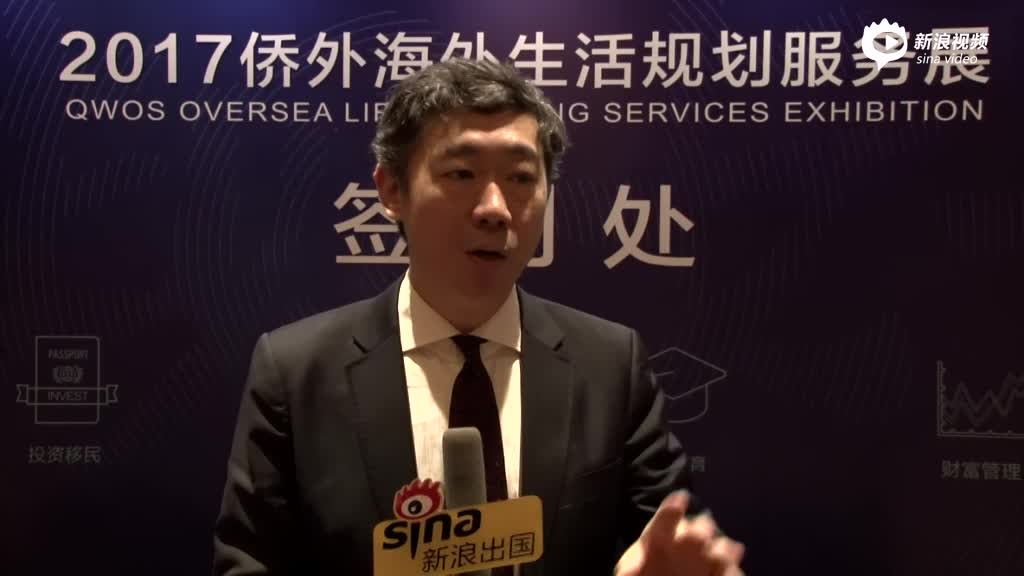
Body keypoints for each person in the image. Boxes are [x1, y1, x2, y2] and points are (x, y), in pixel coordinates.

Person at [213, 58, 744, 576]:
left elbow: (671, 543)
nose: (495, 208)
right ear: (392, 189)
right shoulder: (296, 372)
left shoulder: (610, 365)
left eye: (520, 177)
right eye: (461, 173)